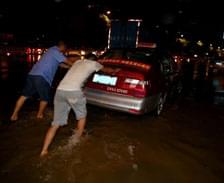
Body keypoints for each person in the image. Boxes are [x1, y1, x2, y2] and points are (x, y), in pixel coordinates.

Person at [40, 54, 119, 157]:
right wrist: (115, 70)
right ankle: (76, 141)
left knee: (55, 124)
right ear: (95, 60)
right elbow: (107, 70)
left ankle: (44, 150)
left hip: (60, 91)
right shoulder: (94, 64)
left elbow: (70, 65)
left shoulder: (78, 62)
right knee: (82, 117)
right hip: (74, 92)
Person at [10, 41, 73, 121]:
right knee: (45, 98)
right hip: (42, 77)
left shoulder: (50, 51)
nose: (64, 51)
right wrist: (76, 65)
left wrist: (68, 67)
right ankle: (39, 115)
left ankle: (14, 115)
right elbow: (66, 61)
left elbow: (61, 64)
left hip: (32, 75)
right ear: (63, 46)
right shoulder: (55, 51)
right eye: (65, 49)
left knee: (24, 96)